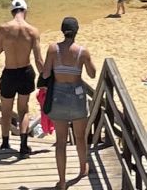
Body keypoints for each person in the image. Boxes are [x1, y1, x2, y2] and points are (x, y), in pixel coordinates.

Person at [40, 16, 93, 190]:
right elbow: (92, 73)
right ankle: (83, 169)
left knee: (61, 141)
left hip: (58, 97)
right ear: (76, 31)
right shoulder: (82, 52)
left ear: (62, 31)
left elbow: (46, 73)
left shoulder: (53, 49)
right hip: (77, 97)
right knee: (80, 137)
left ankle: (62, 182)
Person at [0, 0, 43, 156]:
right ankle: (23, 145)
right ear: (25, 11)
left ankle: (5, 143)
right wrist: (46, 78)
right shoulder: (32, 31)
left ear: (12, 12)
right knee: (23, 110)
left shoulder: (4, 28)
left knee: (6, 110)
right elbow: (39, 59)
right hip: (26, 72)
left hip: (9, 72)